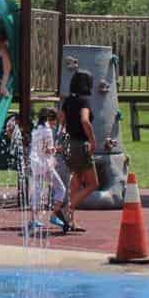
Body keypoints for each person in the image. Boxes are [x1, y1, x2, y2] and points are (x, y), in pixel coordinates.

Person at [59, 70, 97, 230]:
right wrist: (92, 140)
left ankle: (70, 220)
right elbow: (85, 121)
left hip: (70, 144)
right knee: (93, 184)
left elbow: (62, 119)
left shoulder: (67, 101)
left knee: (76, 182)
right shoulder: (83, 102)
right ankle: (66, 209)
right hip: (81, 145)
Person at [30, 108, 69, 232]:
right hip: (45, 165)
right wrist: (58, 150)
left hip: (36, 164)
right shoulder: (47, 130)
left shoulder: (36, 128)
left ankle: (33, 219)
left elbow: (38, 148)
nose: (55, 124)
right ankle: (53, 215)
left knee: (37, 190)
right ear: (50, 119)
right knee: (61, 188)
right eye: (55, 121)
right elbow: (47, 150)